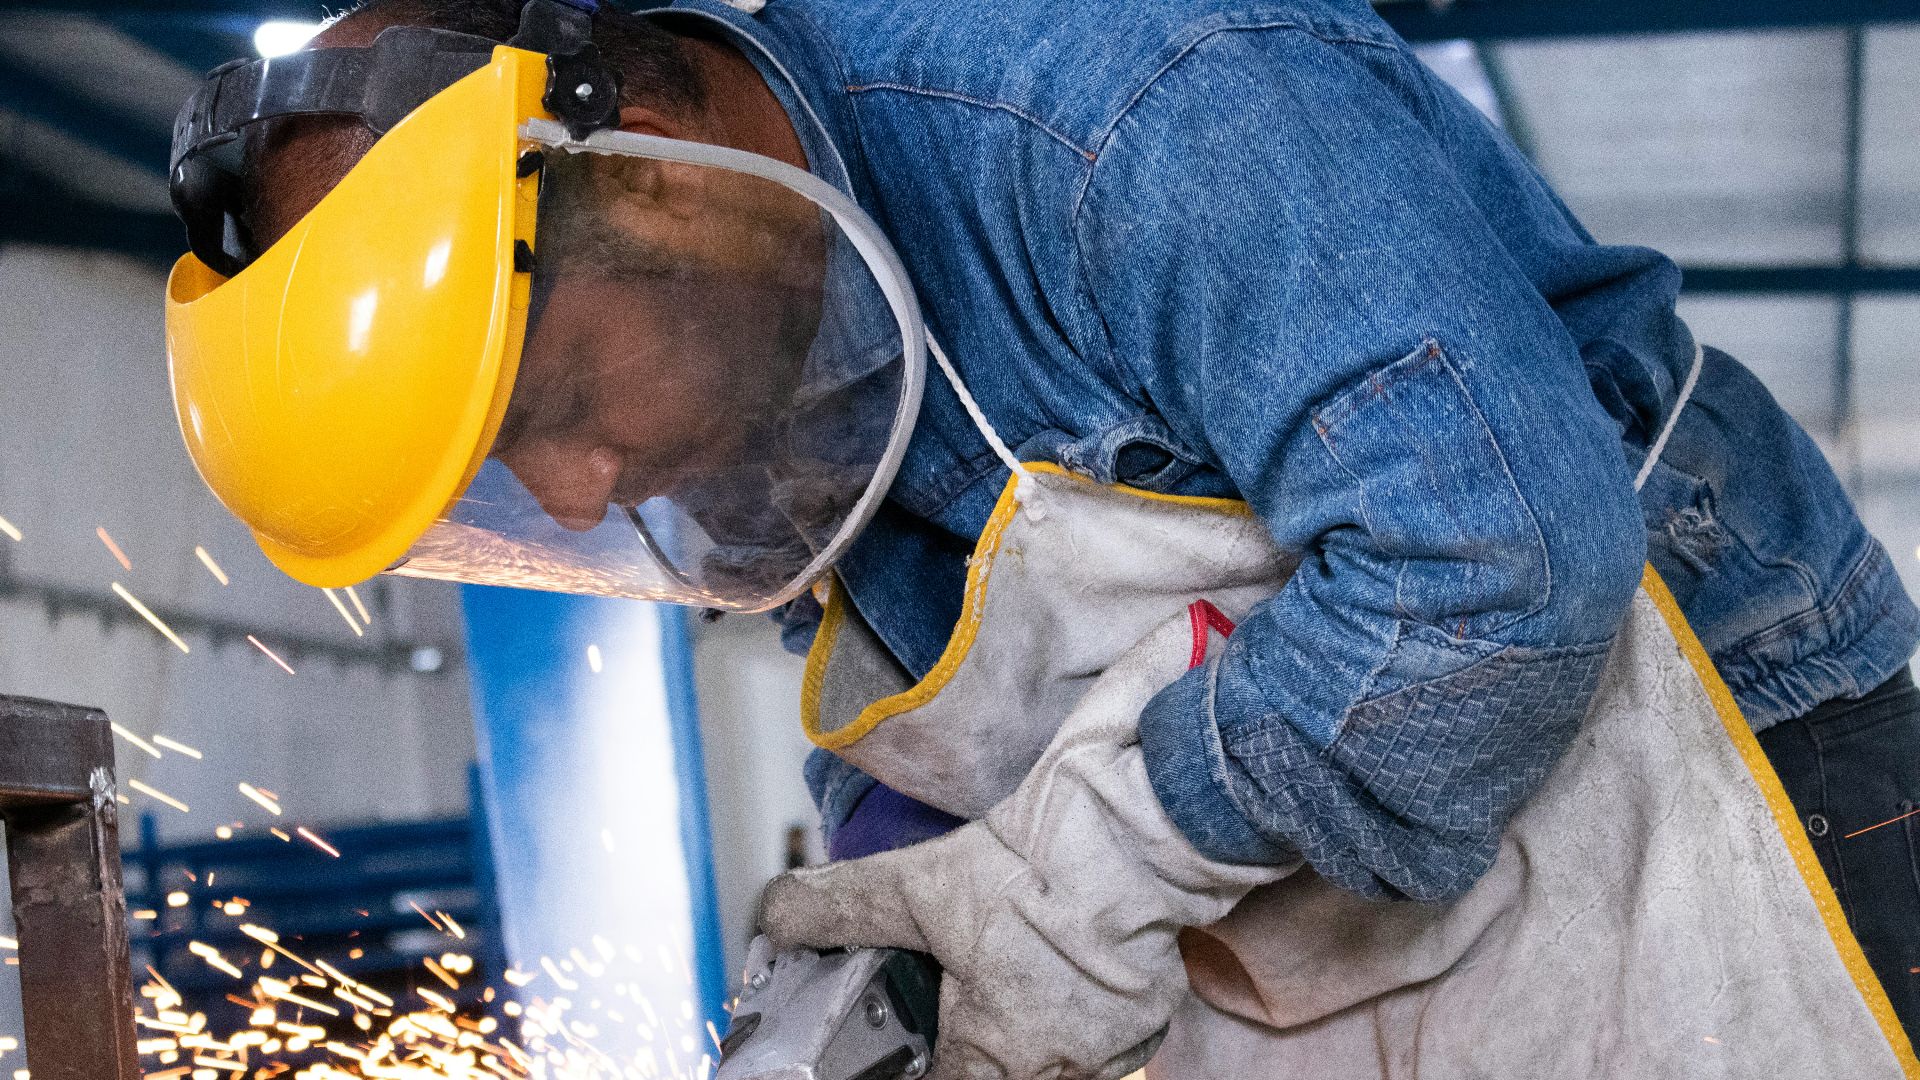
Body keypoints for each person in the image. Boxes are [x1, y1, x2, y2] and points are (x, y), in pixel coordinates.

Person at [163, 0, 1920, 1076]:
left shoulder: (1124, 103)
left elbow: (1495, 560)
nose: (565, 494)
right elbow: (931, 663)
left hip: (1728, 759)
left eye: (543, 410)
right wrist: (898, 930)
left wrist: (1105, 865)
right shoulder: (759, 321)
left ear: (640, 146)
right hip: (1339, 895)